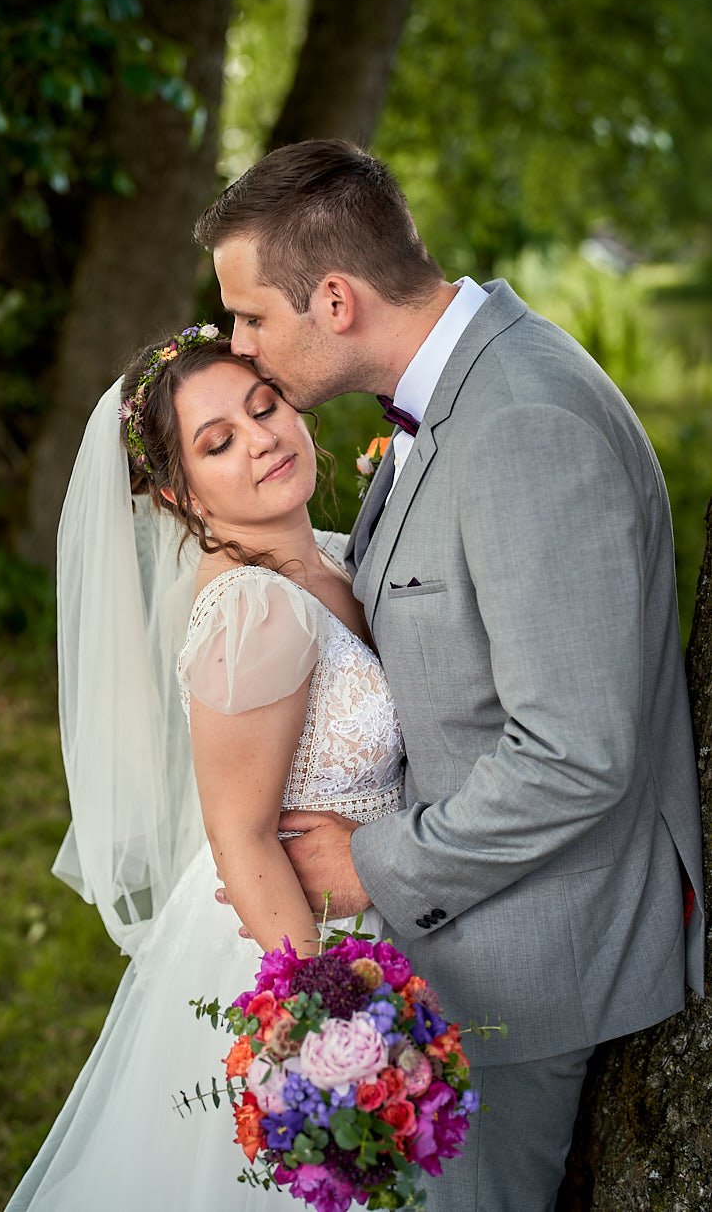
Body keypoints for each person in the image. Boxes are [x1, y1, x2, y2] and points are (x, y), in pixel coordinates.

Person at [194, 139, 706, 1212]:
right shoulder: (456, 396)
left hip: (527, 964)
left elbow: (576, 752)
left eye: (248, 316)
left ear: (333, 299)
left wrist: (372, 864)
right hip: (470, 930)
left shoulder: (522, 425)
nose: (237, 344)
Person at [4, 326, 405, 1211]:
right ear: (182, 493)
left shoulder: (335, 557)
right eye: (218, 442)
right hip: (293, 942)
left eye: (264, 407)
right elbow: (239, 831)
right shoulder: (254, 610)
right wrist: (324, 1029)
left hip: (384, 901)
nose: (261, 438)